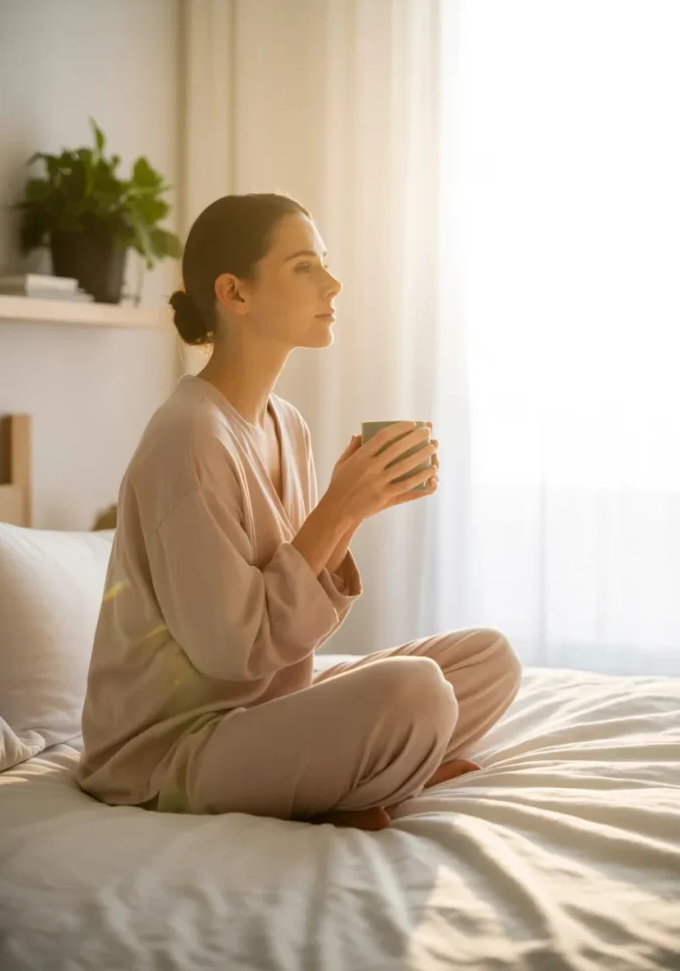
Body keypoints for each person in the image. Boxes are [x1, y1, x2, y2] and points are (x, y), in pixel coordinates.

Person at [76, 193, 521, 831]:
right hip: (173, 749)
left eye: (325, 265)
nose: (332, 284)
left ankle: (381, 772)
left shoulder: (289, 426)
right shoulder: (188, 438)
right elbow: (230, 650)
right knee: (417, 692)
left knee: (489, 659)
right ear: (235, 292)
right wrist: (336, 509)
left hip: (264, 708)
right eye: (304, 267)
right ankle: (374, 778)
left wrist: (352, 510)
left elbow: (289, 632)